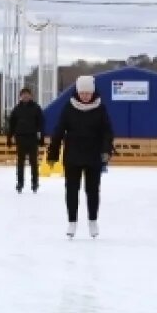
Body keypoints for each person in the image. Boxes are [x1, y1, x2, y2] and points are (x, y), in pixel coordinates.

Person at [47, 75, 114, 238]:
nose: (85, 96)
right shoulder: (69, 108)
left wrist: (106, 150)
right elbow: (59, 131)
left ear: (92, 92)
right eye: (82, 93)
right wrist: (53, 153)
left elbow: (107, 131)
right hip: (73, 155)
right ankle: (72, 222)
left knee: (92, 190)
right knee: (71, 190)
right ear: (77, 92)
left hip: (93, 155)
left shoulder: (100, 108)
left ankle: (92, 220)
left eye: (88, 93)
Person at [6, 87, 45, 193]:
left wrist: (41, 137)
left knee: (33, 162)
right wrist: (9, 137)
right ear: (21, 96)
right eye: (23, 94)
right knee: (20, 162)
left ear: (31, 96)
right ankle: (20, 183)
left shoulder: (36, 108)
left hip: (32, 138)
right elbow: (12, 124)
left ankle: (35, 183)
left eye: (27, 94)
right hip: (20, 138)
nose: (25, 96)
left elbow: (41, 123)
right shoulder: (17, 109)